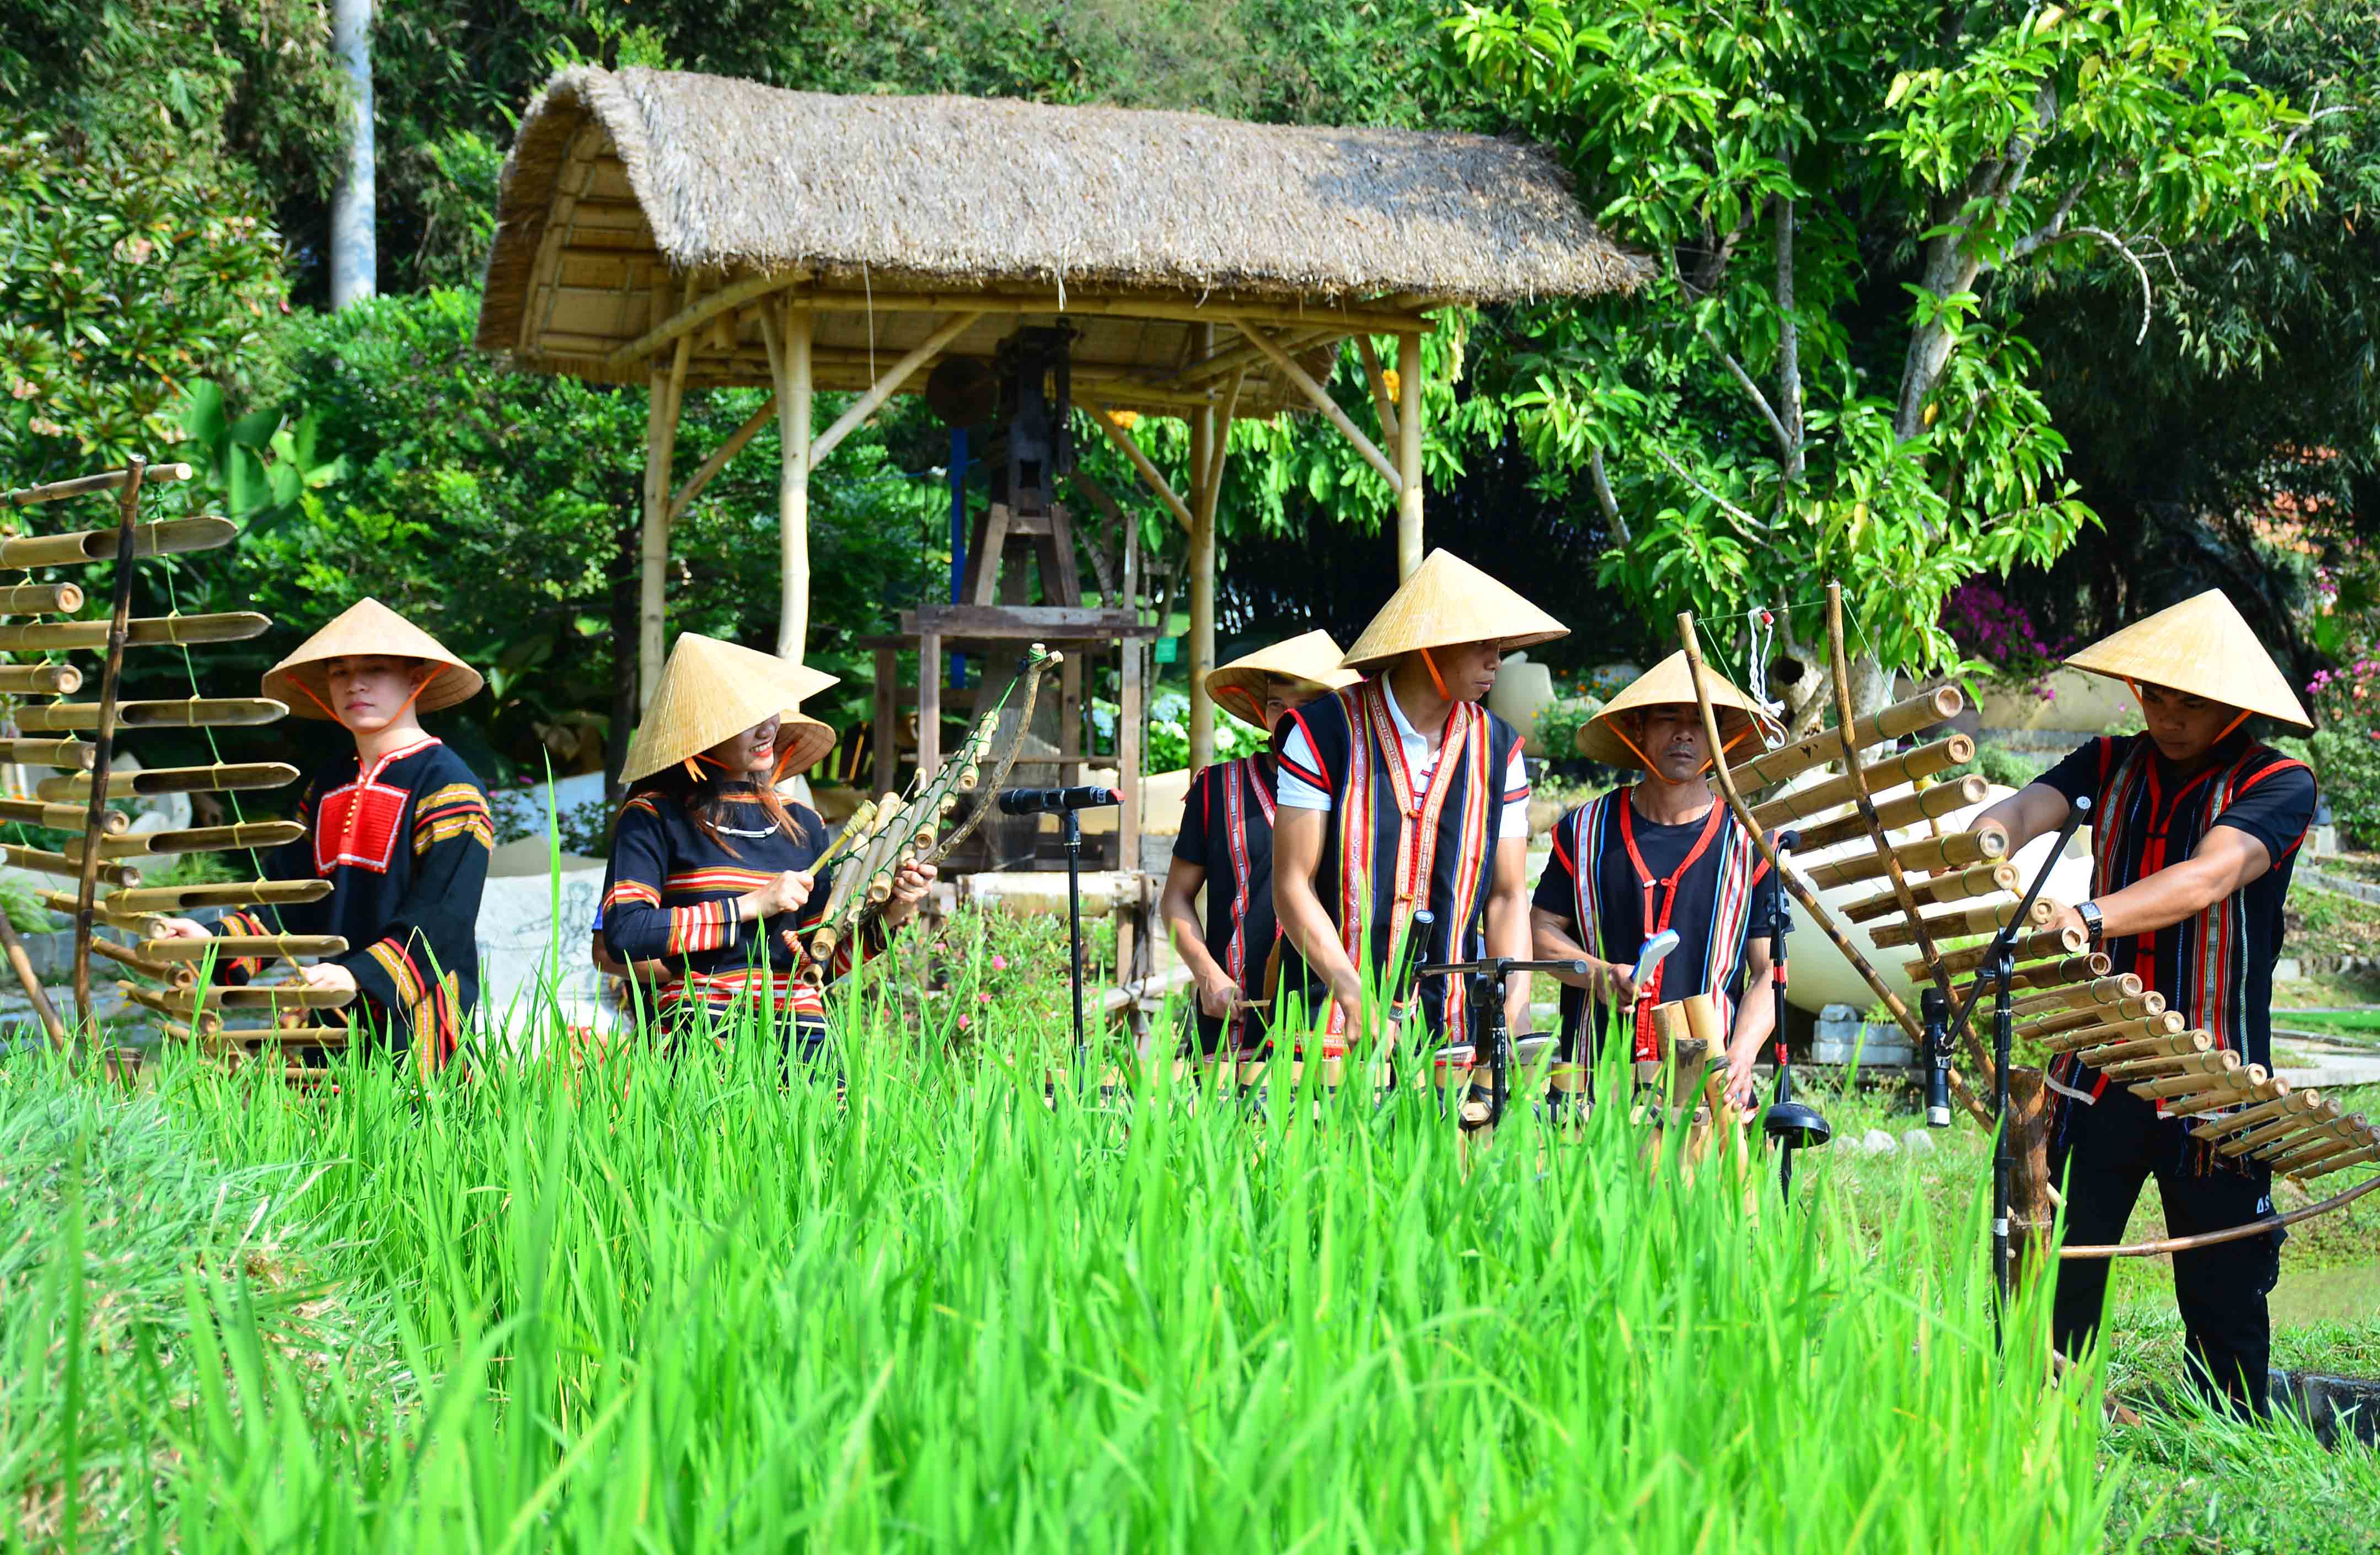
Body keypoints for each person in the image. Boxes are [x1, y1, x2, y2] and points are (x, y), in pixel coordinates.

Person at [1972, 589, 2316, 1417]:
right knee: (2058, 1264)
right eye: (2154, 697)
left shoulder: (2279, 782)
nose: (2167, 716)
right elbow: (2026, 808)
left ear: (2233, 703)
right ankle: (2046, 1418)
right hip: (2097, 1070)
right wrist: (1988, 841)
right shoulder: (2108, 762)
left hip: (2212, 1081)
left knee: (2224, 1290)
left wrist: (2086, 916)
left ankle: (2228, 1439)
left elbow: (2207, 877)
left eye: (2188, 702)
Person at [154, 598, 494, 1073]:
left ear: (416, 679)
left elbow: (444, 916)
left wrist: (360, 975)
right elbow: (292, 897)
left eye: (375, 669)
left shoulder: (449, 785)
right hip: (330, 1008)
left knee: (413, 1119)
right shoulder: (328, 785)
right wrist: (212, 943)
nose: (355, 684)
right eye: (340, 672)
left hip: (418, 1020)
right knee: (329, 1116)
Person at [1272, 549, 1565, 1057]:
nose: (1495, 659)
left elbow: (1507, 896)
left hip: (1450, 1036)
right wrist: (1351, 992)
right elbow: (1292, 884)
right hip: (1328, 1025)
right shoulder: (1321, 734)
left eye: (1499, 645)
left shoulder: (1501, 752)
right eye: (1480, 643)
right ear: (1428, 645)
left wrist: (1514, 1014)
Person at [600, 634, 934, 1056]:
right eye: (748, 718)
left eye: (771, 712)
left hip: (803, 1040)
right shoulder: (653, 816)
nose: (769, 728)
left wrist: (895, 910)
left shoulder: (803, 823)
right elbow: (625, 933)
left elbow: (820, 960)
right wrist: (751, 905)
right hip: (699, 1036)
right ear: (703, 731)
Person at [1530, 651, 1781, 1109]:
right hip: (1593, 1090)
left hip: (1707, 1094)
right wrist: (1599, 975)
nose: (1685, 732)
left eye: (1700, 720)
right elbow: (1540, 934)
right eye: (1668, 717)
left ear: (1719, 738)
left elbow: (1770, 972)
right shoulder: (1584, 832)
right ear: (1638, 730)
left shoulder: (1750, 846)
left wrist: (1743, 1052)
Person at [1159, 630, 1359, 1078]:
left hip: (1334, 1022)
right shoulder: (1216, 789)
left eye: (1306, 705)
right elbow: (1175, 899)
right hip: (1233, 1015)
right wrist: (1207, 975)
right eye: (1275, 704)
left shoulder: (1361, 795)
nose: (1287, 718)